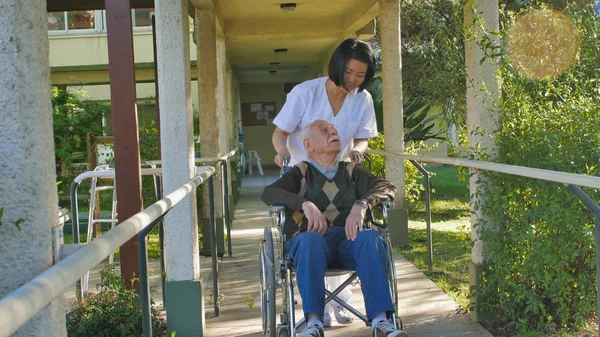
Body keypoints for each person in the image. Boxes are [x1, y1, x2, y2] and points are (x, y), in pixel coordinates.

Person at [262, 120, 408, 337]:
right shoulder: (300, 172)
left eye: (334, 129)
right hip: (310, 244)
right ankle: (313, 325)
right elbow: (269, 193)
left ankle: (381, 324)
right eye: (325, 130)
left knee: (371, 237)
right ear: (309, 145)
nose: (333, 131)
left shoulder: (351, 171)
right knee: (310, 240)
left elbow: (386, 187)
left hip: (349, 242)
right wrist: (304, 204)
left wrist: (362, 204)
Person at [271, 37, 378, 325]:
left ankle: (342, 302)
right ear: (337, 66)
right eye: (349, 73)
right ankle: (317, 311)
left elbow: (363, 138)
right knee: (312, 237)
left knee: (344, 228)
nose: (354, 80)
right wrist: (282, 154)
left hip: (340, 171)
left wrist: (357, 151)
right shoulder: (306, 93)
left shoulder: (362, 100)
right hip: (304, 175)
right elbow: (280, 133)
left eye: (361, 75)